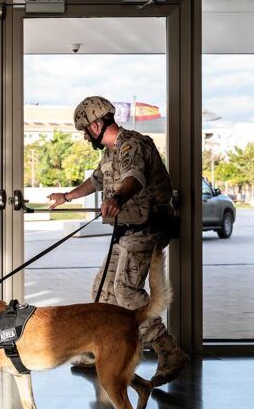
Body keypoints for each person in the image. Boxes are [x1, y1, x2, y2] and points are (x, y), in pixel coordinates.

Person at [48, 95, 187, 387]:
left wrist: (118, 198)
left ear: (96, 125)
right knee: (102, 289)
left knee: (125, 290)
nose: (85, 136)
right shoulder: (110, 153)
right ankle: (98, 350)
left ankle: (169, 352)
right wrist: (66, 197)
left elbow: (135, 178)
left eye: (85, 130)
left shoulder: (132, 145)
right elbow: (96, 181)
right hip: (127, 229)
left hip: (147, 228)